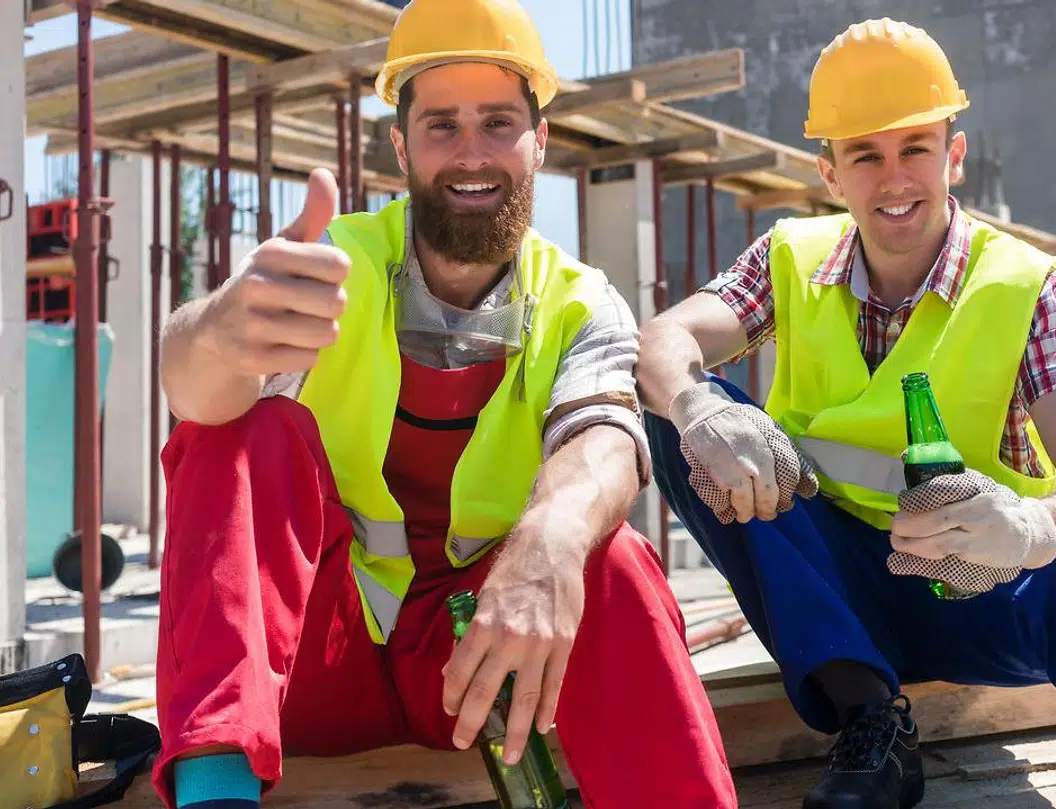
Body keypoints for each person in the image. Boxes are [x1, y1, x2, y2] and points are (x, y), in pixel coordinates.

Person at [149, 2, 737, 808]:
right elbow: (192, 395)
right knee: (241, 433)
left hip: (481, 670)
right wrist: (215, 335)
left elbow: (606, 436)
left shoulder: (579, 303)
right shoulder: (331, 270)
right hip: (313, 666)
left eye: (499, 123)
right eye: (441, 126)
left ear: (541, 141)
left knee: (614, 556)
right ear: (400, 146)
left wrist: (551, 538)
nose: (472, 152)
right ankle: (215, 790)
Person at [636, 18, 1056, 809]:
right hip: (838, 602)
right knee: (679, 419)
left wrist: (1030, 527)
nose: (894, 178)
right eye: (865, 155)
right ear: (829, 173)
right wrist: (697, 403)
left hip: (981, 586)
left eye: (914, 147)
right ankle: (871, 724)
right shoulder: (789, 259)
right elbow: (663, 339)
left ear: (954, 156)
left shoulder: (1028, 285)